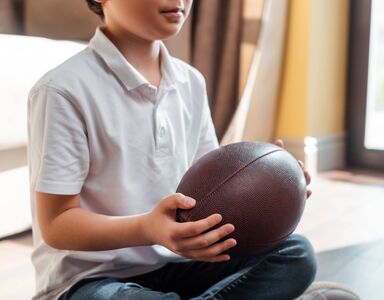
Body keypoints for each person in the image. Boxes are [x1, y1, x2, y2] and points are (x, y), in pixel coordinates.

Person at [27, 1, 317, 299]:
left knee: (296, 253)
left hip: (178, 263)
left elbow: (209, 193)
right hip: (91, 281)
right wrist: (148, 229)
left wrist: (274, 186)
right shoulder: (63, 90)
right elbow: (56, 224)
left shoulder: (191, 82)